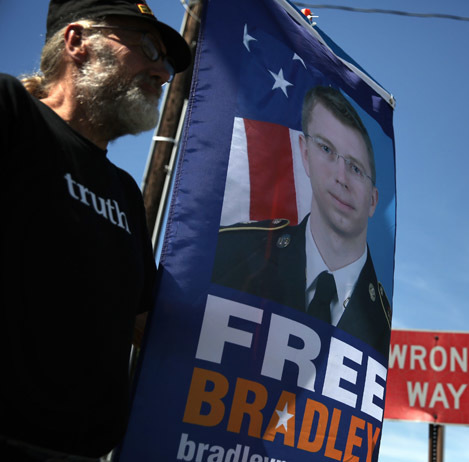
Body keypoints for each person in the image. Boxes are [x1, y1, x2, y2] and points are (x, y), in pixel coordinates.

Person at [0, 0, 190, 460]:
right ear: (76, 43)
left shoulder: (123, 191)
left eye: (166, 61)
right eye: (148, 47)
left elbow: (145, 323)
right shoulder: (13, 113)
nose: (163, 73)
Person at [212, 86, 392, 358]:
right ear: (305, 155)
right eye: (327, 150)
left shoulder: (386, 328)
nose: (341, 177)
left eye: (356, 168)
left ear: (373, 201)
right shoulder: (230, 252)